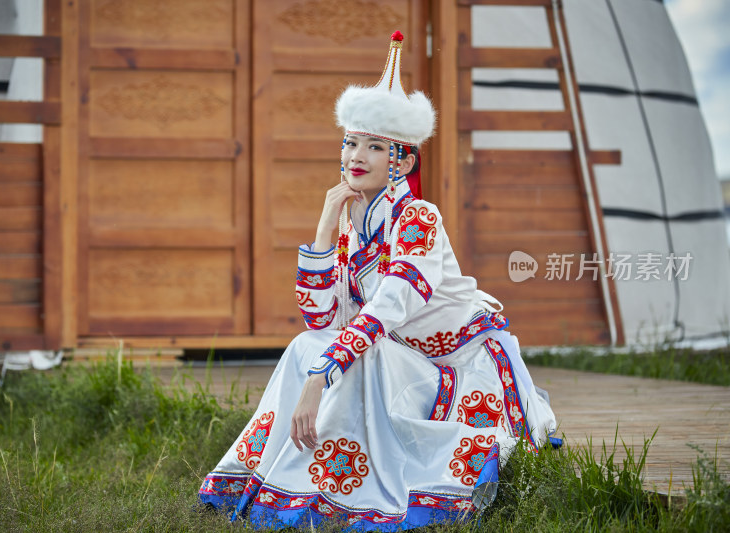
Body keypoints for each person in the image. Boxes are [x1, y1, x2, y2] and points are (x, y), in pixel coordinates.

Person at [198, 31, 557, 531]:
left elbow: (387, 309)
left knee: (354, 356)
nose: (355, 155)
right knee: (307, 344)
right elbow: (321, 317)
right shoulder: (354, 223)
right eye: (350, 142)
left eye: (374, 145)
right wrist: (326, 223)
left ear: (403, 161)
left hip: (458, 368)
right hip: (402, 359)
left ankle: (344, 491)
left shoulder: (418, 219)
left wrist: (321, 377)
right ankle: (288, 480)